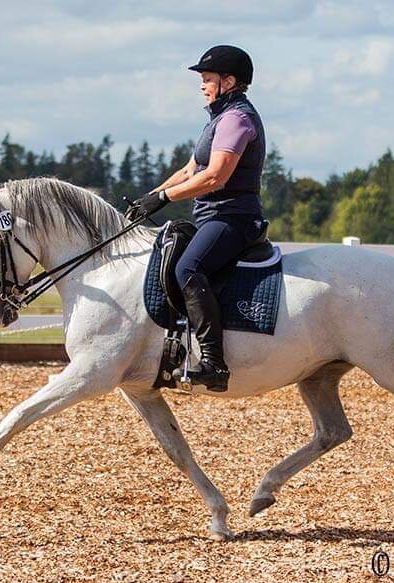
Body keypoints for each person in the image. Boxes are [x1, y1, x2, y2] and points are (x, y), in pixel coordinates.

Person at [127, 45, 266, 392]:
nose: (202, 86)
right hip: (211, 215)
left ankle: (214, 363)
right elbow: (190, 170)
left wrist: (163, 198)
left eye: (207, 79)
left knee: (188, 268)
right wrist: (150, 198)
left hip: (232, 217)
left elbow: (214, 177)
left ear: (229, 81)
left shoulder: (237, 119)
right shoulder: (218, 120)